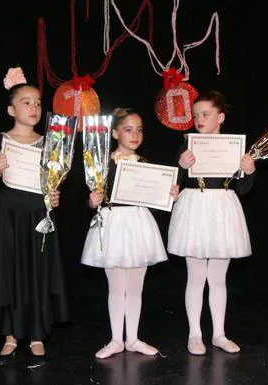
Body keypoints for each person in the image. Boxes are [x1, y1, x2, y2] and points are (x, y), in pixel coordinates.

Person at [0, 69, 68, 369]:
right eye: (26, 102)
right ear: (11, 109)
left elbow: (54, 185)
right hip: (8, 217)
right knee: (10, 272)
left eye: (38, 103)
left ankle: (36, 333)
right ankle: (10, 334)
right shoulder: (1, 140)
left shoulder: (50, 143)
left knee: (37, 273)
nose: (33, 109)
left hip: (38, 217)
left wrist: (55, 198)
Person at [82, 108, 178, 359]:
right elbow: (93, 200)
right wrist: (93, 202)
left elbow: (156, 197)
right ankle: (116, 340)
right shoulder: (101, 163)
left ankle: (133, 338)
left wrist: (169, 194)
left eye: (140, 129)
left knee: (136, 287)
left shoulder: (146, 165)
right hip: (113, 224)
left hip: (138, 224)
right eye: (128, 129)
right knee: (116, 286)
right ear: (115, 133)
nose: (135, 135)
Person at [168, 91, 256, 355]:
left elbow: (243, 187)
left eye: (205, 114)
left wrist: (249, 171)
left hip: (223, 207)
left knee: (218, 278)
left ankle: (218, 333)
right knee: (195, 277)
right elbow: (174, 182)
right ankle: (195, 334)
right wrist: (180, 166)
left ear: (220, 117)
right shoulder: (186, 145)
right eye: (195, 115)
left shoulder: (235, 147)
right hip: (194, 206)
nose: (199, 119)